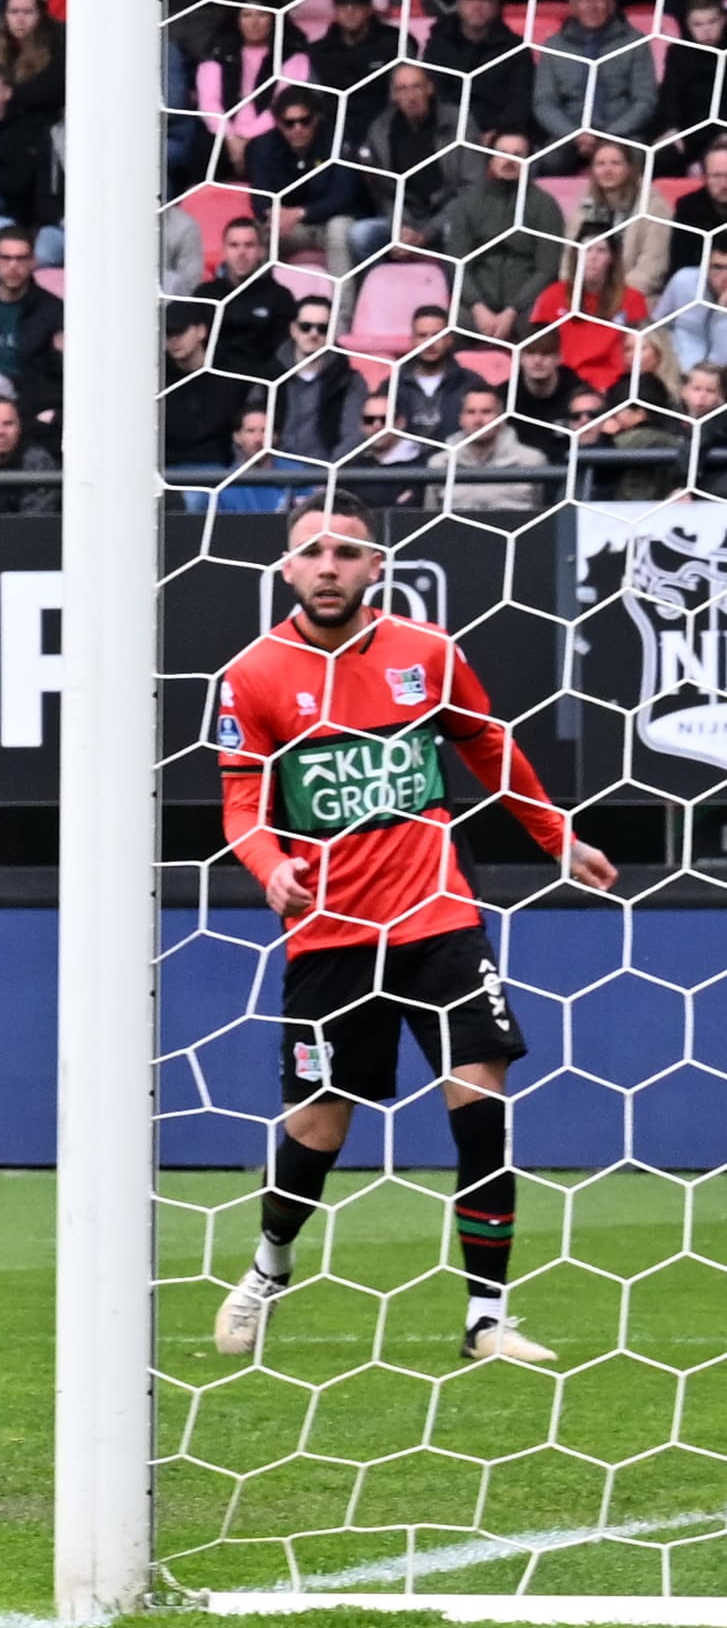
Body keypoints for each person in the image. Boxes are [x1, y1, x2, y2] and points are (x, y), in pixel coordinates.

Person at [210, 502, 608, 1370]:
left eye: (345, 551)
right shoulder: (252, 674)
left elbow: (488, 747)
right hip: (328, 936)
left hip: (437, 920)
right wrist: (269, 865)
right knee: (319, 1127)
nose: (327, 565)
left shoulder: (426, 652)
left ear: (374, 566)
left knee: (480, 1096)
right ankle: (270, 1264)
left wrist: (559, 840)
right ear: (286, 569)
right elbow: (241, 805)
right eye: (311, 552)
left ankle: (485, 1318)